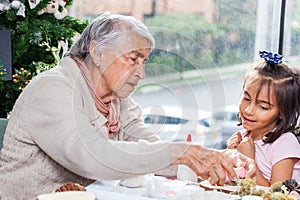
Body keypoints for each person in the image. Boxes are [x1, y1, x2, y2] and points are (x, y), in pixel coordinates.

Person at [0, 13, 255, 199]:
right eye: (133, 59)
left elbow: (151, 148)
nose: (141, 73)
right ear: (97, 52)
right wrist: (182, 153)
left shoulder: (117, 101)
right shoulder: (53, 88)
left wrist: (215, 159)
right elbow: (92, 156)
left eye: (144, 61)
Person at [226, 51, 300, 186]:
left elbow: (275, 195)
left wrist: (248, 159)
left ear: (282, 112)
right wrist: (231, 155)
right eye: (246, 98)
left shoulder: (284, 144)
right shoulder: (242, 138)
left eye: (263, 107)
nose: (248, 110)